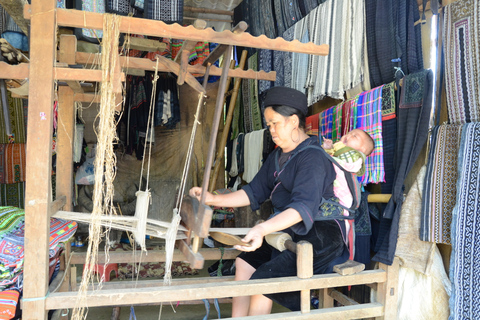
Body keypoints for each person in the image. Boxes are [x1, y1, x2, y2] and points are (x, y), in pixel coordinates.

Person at [189, 86, 348, 317]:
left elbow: (301, 209)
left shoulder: (312, 157)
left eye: (275, 123)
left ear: (294, 121)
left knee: (264, 282)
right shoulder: (277, 156)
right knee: (245, 263)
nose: (271, 130)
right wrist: (213, 198)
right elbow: (254, 191)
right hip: (291, 228)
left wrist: (262, 228)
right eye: (269, 124)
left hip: (321, 233)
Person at [322, 129, 374, 213]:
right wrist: (327, 148)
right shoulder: (340, 153)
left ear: (362, 149)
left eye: (354, 136)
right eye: (348, 133)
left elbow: (342, 160)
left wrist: (338, 145)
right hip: (331, 193)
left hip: (342, 198)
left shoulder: (355, 158)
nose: (348, 135)